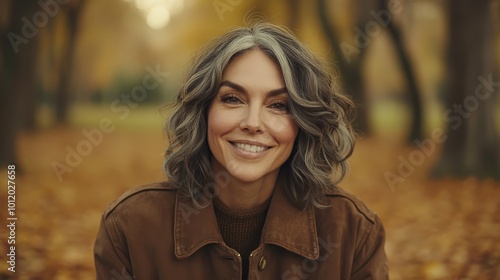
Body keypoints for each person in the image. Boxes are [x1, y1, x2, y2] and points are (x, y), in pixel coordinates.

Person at [94, 22, 388, 279]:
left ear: (303, 123)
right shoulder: (129, 228)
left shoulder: (354, 234)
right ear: (204, 111)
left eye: (279, 105)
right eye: (233, 99)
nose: (252, 123)